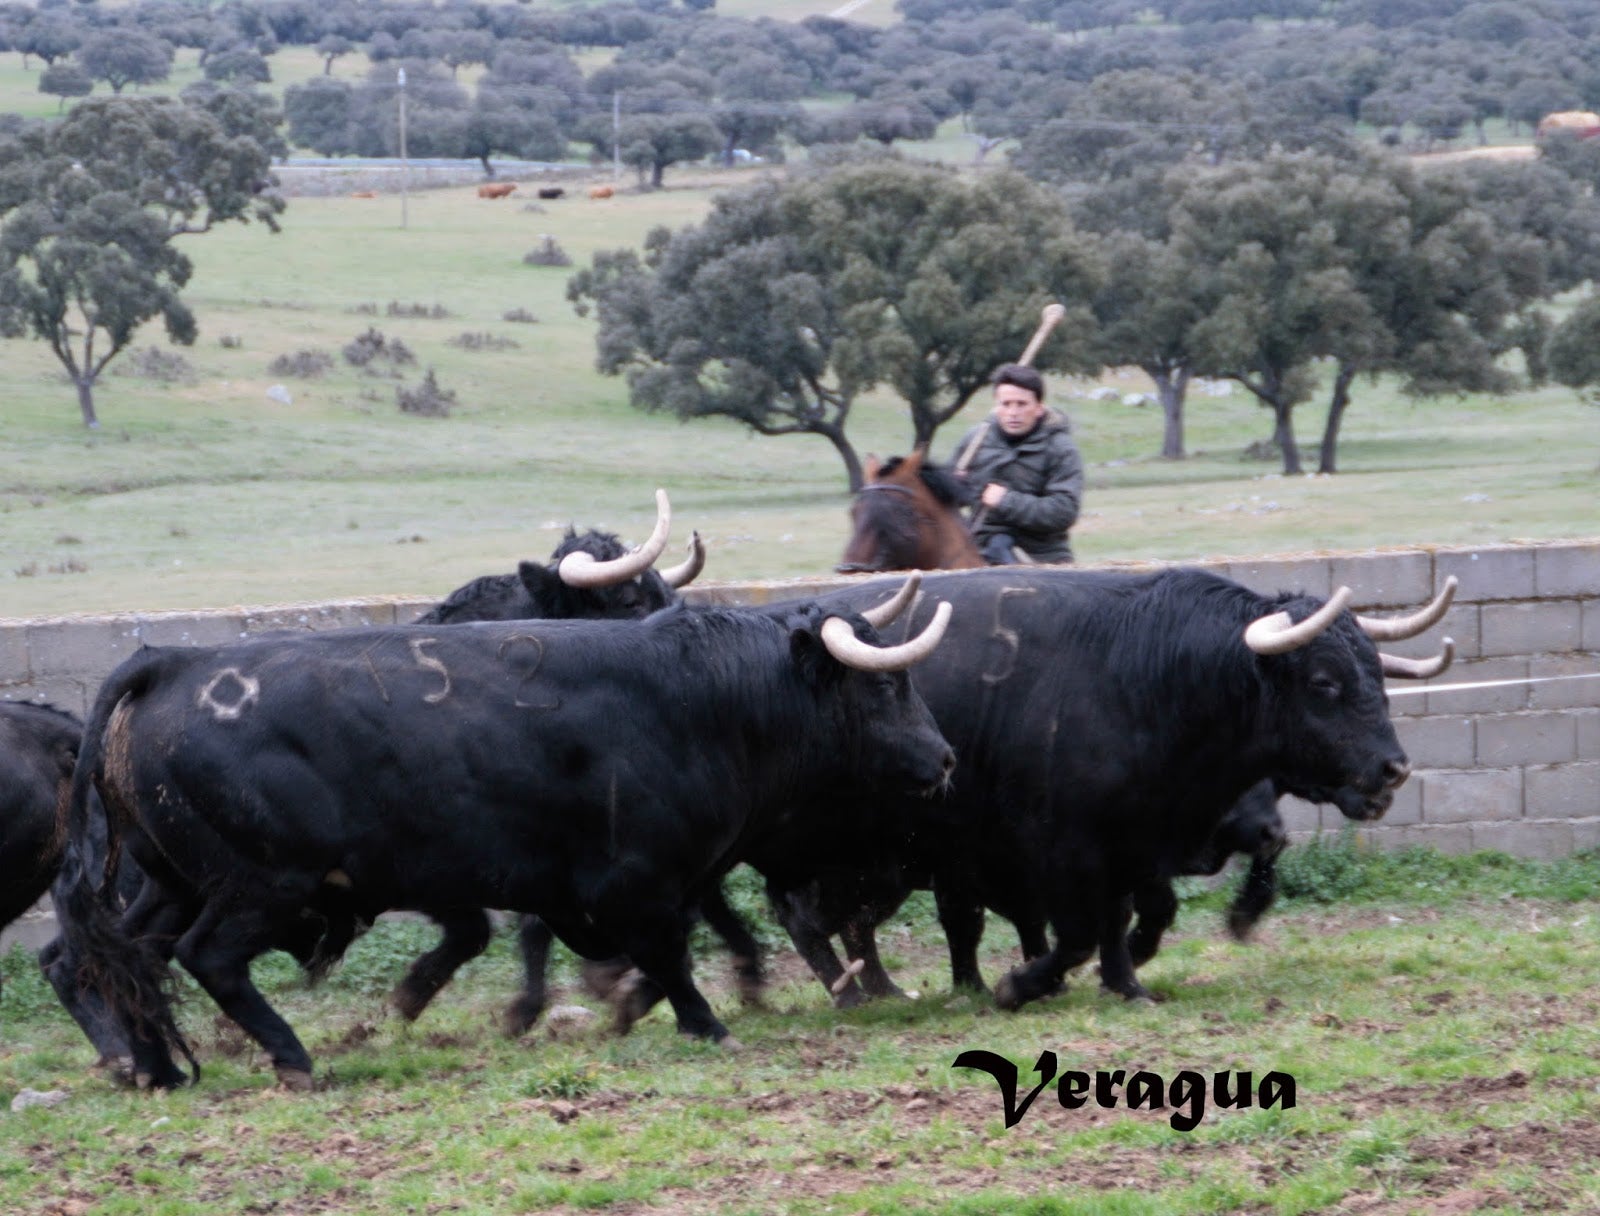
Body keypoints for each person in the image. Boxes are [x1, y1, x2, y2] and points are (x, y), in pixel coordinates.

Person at [949, 363, 1084, 565]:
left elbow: (1064, 512)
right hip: (978, 551)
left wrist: (1006, 501)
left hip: (1040, 556)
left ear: (1039, 408)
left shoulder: (1060, 448)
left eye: (1022, 404)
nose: (1013, 412)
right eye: (1006, 404)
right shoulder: (975, 440)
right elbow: (947, 501)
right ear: (996, 406)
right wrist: (954, 488)